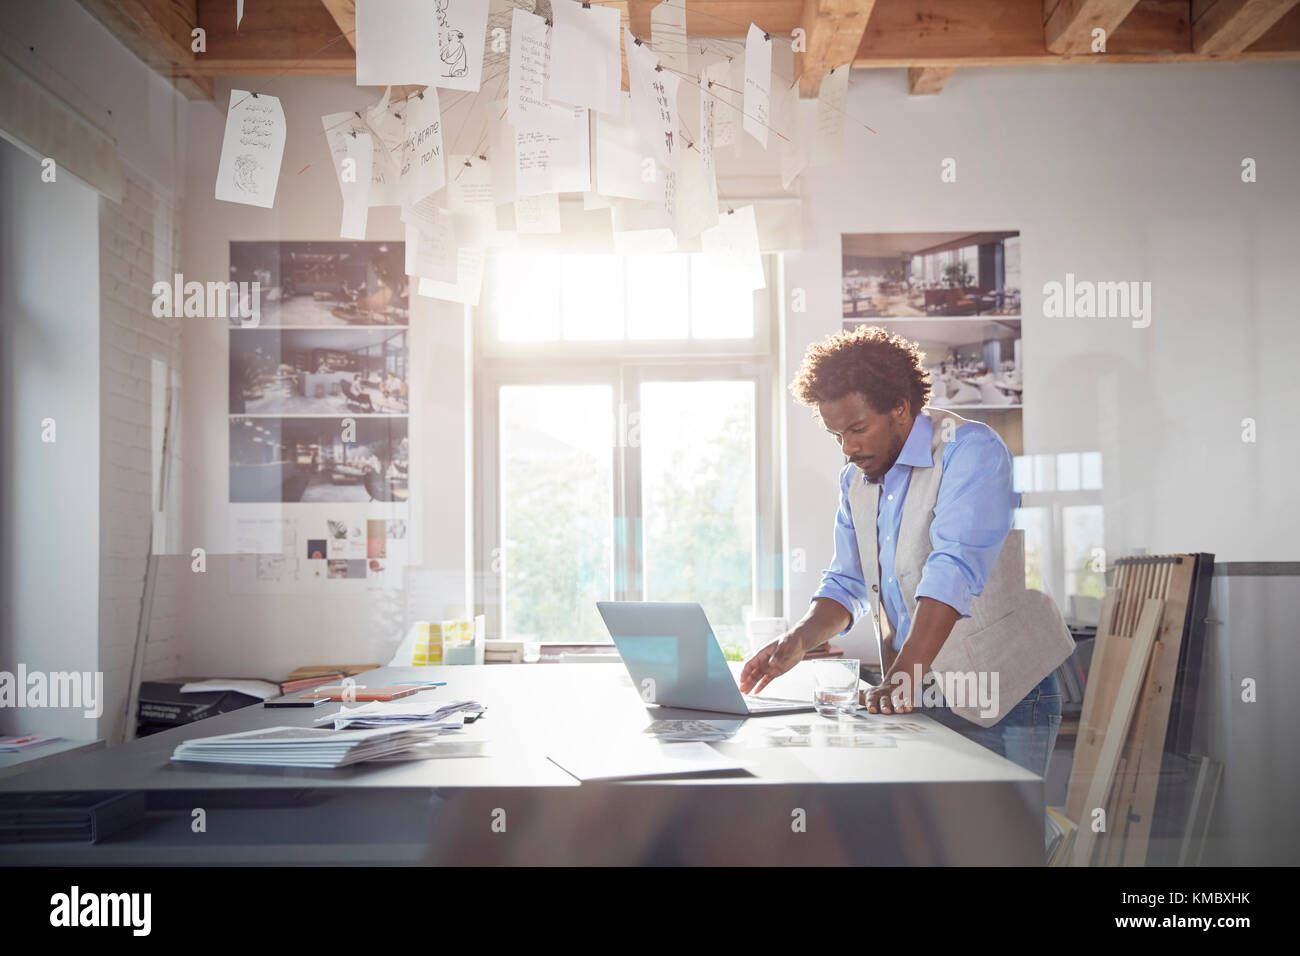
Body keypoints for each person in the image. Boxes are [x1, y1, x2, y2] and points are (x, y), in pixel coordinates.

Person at [740, 325, 1074, 778]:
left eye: (858, 429)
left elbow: (953, 568)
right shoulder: (855, 480)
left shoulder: (969, 449)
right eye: (837, 435)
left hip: (1003, 690)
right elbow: (847, 582)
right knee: (933, 822)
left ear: (900, 407)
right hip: (919, 684)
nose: (848, 448)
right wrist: (797, 641)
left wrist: (903, 674)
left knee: (997, 823)